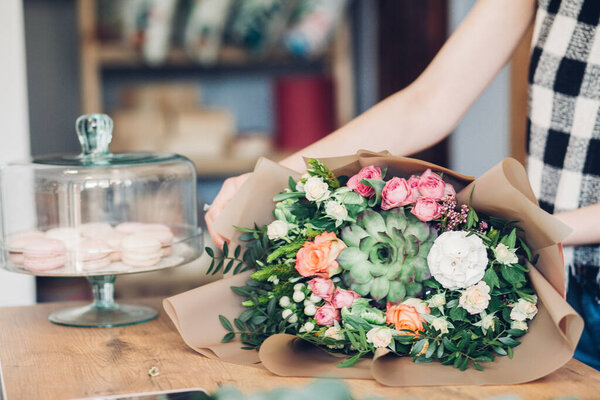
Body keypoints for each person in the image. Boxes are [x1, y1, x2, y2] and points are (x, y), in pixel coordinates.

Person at [205, 0, 600, 369]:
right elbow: (428, 102)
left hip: (559, 257)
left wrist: (522, 232)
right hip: (553, 279)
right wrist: (275, 178)